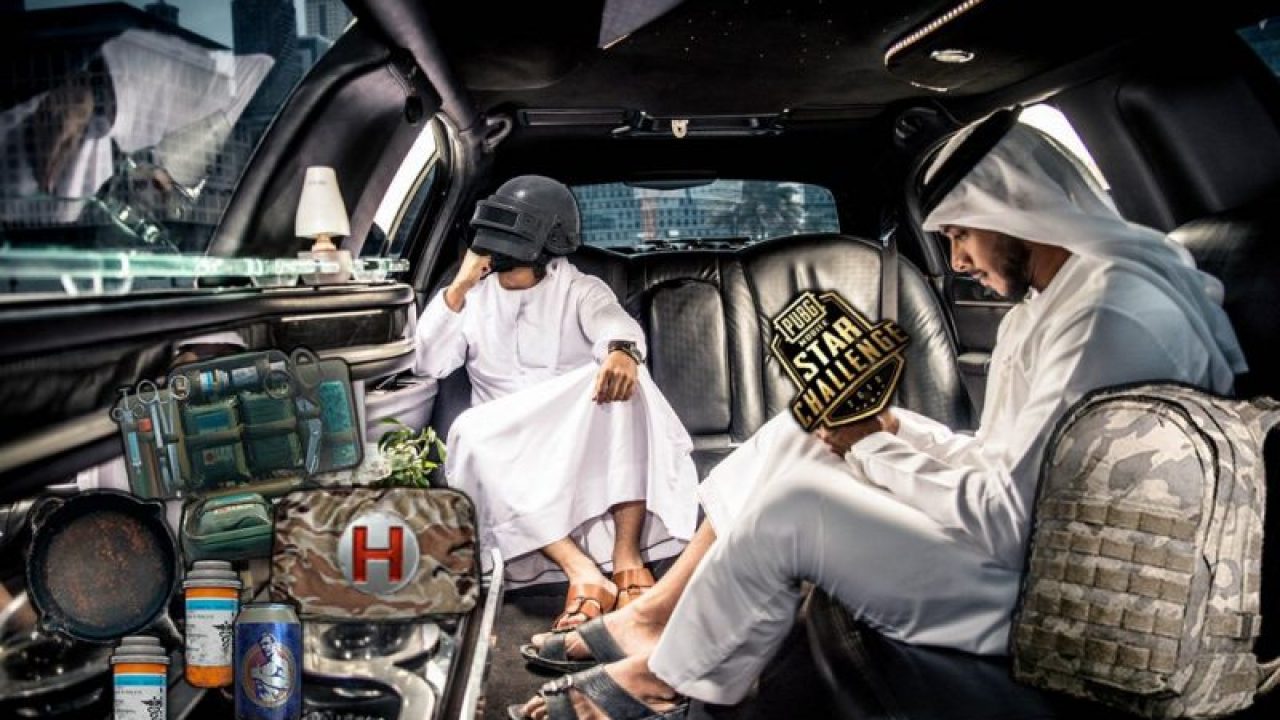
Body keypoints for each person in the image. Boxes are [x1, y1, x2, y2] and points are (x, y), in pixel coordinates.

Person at [514, 120, 1247, 719]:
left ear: (1011, 213)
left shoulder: (1109, 317)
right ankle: (655, 616)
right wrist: (892, 429)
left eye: (960, 235)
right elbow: (1006, 462)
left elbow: (1008, 520)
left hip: (1051, 593)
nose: (957, 260)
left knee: (796, 508)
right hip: (1025, 551)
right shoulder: (1063, 298)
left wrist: (870, 447)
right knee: (801, 426)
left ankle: (664, 680)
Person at [414, 175, 699, 631]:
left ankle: (627, 559)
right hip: (506, 438)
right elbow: (429, 362)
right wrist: (460, 285)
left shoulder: (579, 287)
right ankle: (581, 571)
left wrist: (621, 352)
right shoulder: (472, 297)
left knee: (628, 383)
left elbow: (613, 324)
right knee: (468, 433)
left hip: (574, 428)